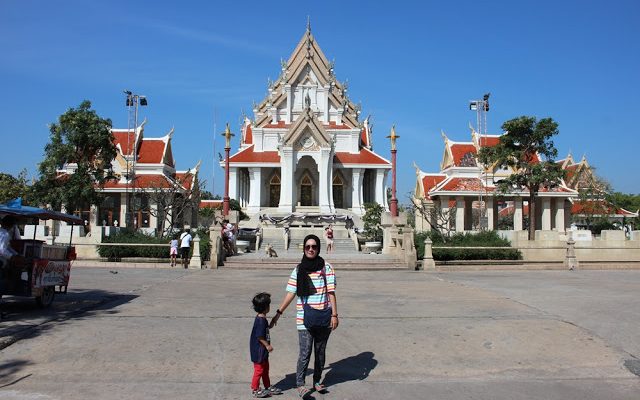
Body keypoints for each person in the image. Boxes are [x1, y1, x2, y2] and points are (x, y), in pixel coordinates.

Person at [270, 234, 338, 398]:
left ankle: (317, 381)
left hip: (324, 316)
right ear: (304, 248)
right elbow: (290, 293)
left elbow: (331, 292)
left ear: (318, 248)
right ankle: (300, 384)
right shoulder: (298, 270)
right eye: (308, 247)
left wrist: (334, 315)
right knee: (305, 353)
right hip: (304, 318)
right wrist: (278, 313)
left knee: (320, 353)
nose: (311, 249)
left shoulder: (326, 268)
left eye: (314, 246)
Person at [249, 292, 282, 398]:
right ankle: (255, 389)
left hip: (262, 350)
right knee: (259, 370)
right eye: (269, 305)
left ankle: (267, 386)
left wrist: (271, 324)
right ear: (265, 307)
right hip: (259, 350)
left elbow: (264, 331)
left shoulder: (262, 318)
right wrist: (267, 345)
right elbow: (259, 336)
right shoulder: (260, 321)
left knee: (265, 369)